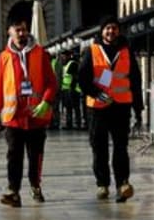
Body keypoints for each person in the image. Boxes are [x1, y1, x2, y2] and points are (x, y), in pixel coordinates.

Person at [0, 16, 56, 207]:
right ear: (9, 32)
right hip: (14, 117)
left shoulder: (40, 53)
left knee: (35, 155)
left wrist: (46, 101)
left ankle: (35, 185)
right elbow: (0, 86)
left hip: (36, 115)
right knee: (14, 155)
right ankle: (13, 191)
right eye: (17, 30)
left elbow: (52, 82)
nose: (21, 33)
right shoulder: (4, 57)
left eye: (24, 29)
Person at [78, 15, 143, 203]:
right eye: (107, 28)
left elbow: (135, 81)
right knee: (99, 148)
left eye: (114, 28)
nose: (111, 31)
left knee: (121, 147)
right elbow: (82, 78)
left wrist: (138, 108)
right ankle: (102, 184)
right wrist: (95, 93)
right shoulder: (92, 50)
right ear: (102, 31)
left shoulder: (126, 51)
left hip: (121, 106)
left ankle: (123, 183)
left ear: (118, 31)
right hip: (98, 108)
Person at [59, 51, 82, 130]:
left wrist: (73, 87)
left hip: (72, 90)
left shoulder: (72, 64)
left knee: (75, 107)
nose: (62, 58)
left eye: (64, 56)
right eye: (61, 57)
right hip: (66, 89)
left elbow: (75, 77)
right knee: (68, 107)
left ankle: (78, 124)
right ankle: (69, 124)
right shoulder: (65, 65)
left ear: (69, 56)